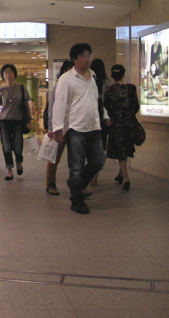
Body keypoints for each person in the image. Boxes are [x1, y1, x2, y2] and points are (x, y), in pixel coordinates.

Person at [52, 43, 110, 214]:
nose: (87, 59)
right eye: (83, 55)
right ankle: (77, 200)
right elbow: (60, 104)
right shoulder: (66, 79)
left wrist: (103, 116)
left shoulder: (93, 76)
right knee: (76, 167)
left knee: (99, 161)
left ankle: (76, 183)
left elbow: (95, 100)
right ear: (74, 59)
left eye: (88, 55)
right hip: (76, 129)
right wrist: (58, 128)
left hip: (94, 127)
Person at [0, 64, 33, 180]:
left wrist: (30, 118)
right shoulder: (0, 90)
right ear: (3, 75)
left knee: (18, 147)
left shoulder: (21, 88)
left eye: (10, 72)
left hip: (18, 122)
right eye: (6, 72)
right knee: (7, 147)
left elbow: (27, 104)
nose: (8, 74)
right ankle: (9, 170)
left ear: (14, 74)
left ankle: (19, 162)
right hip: (4, 122)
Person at [105, 64, 139, 191]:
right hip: (128, 124)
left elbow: (106, 106)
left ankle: (127, 179)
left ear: (112, 75)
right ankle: (120, 175)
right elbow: (136, 106)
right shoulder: (131, 88)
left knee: (120, 152)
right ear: (124, 74)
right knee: (125, 149)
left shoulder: (109, 89)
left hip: (116, 124)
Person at [45, 60, 76, 195]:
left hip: (74, 127)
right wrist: (51, 129)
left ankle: (77, 184)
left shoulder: (77, 87)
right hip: (60, 128)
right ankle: (50, 183)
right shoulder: (57, 88)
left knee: (76, 159)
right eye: (68, 70)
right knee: (54, 157)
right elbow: (52, 109)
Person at [89, 58, 112, 186]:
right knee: (99, 147)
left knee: (89, 147)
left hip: (90, 118)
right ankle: (95, 174)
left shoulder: (90, 81)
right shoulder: (107, 83)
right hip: (102, 120)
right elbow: (107, 103)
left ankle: (91, 172)